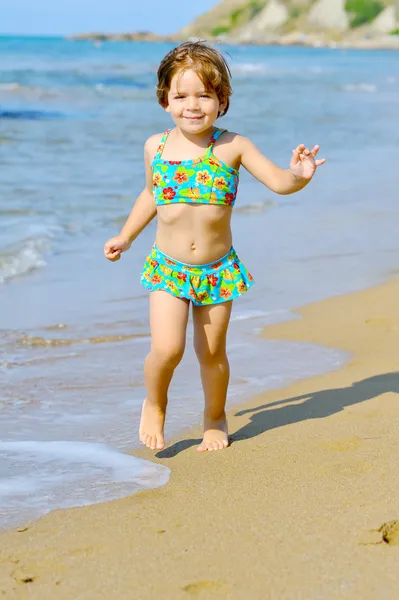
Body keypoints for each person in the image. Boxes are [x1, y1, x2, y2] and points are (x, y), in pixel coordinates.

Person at [104, 41, 325, 453]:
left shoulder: (233, 146)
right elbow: (152, 195)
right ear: (164, 100)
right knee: (167, 350)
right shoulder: (157, 146)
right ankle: (155, 402)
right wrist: (126, 235)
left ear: (221, 100)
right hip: (169, 267)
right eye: (181, 95)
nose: (193, 105)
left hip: (217, 269)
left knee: (211, 353)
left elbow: (279, 182)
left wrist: (300, 174)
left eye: (204, 95)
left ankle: (214, 418)